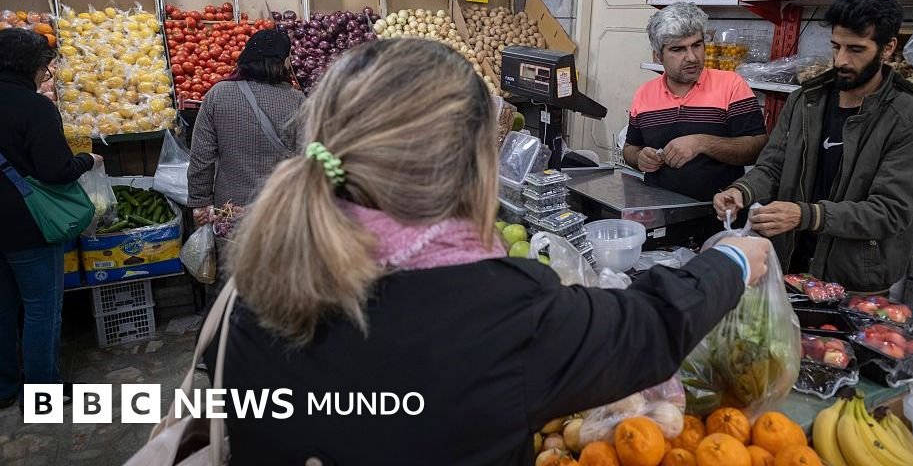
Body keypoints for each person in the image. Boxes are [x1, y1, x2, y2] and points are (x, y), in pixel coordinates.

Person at [207, 38, 772, 465]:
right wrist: (735, 259)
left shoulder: (254, 281)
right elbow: (647, 327)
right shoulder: (497, 310)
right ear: (474, 164)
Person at [714, 0, 913, 294]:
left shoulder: (909, 118)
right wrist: (742, 190)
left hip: (853, 281)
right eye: (836, 46)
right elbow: (773, 165)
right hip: (788, 265)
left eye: (856, 50)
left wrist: (806, 215)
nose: (841, 60)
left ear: (888, 48)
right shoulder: (806, 101)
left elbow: (891, 211)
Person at [0, 29, 102, 408]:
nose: (47, 73)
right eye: (46, 65)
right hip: (28, 224)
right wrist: (88, 161)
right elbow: (55, 170)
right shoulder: (35, 107)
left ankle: (5, 388)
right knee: (41, 307)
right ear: (31, 66)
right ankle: (44, 390)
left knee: (3, 308)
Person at [623, 2, 768, 202]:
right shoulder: (644, 94)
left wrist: (702, 143)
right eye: (678, 49)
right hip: (659, 213)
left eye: (697, 45)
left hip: (719, 214)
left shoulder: (731, 85)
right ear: (658, 56)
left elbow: (758, 148)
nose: (691, 57)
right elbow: (630, 148)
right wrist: (640, 158)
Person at [188, 28, 305, 221]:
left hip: (229, 210)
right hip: (279, 211)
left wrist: (200, 202)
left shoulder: (218, 94)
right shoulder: (297, 100)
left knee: (232, 250)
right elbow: (307, 159)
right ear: (282, 63)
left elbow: (201, 157)